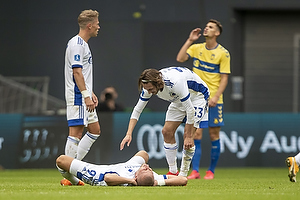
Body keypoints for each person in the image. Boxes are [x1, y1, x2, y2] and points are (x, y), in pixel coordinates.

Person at [120, 67, 210, 177]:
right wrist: (129, 133)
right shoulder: (148, 86)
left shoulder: (175, 83)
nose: (149, 92)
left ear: (158, 83)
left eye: (151, 89)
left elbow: (190, 109)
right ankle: (173, 171)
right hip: (178, 100)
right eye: (146, 89)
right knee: (166, 132)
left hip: (197, 97)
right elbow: (137, 110)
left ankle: (183, 175)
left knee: (187, 136)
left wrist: (190, 136)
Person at [176, 19, 231, 179]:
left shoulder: (223, 53)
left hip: (213, 99)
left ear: (217, 33)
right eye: (206, 26)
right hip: (196, 98)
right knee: (195, 134)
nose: (206, 28)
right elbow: (180, 58)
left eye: (211, 27)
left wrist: (216, 96)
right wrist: (190, 40)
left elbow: (224, 78)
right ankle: (195, 171)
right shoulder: (197, 48)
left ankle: (211, 171)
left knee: (214, 135)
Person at [62, 9, 101, 185]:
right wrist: (85, 95)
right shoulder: (76, 44)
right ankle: (68, 176)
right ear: (89, 25)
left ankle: (73, 167)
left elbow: (83, 73)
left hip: (84, 94)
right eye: (97, 23)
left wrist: (90, 92)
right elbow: (76, 72)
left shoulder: (84, 44)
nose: (99, 27)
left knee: (95, 130)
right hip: (77, 96)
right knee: (76, 134)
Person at [56, 150, 188, 186]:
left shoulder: (128, 181)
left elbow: (107, 178)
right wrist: (157, 182)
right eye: (149, 169)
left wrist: (130, 181)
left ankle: (75, 182)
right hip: (127, 166)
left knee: (61, 160)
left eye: (145, 169)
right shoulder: (153, 178)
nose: (147, 166)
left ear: (136, 177)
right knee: (143, 154)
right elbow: (183, 180)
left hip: (97, 172)